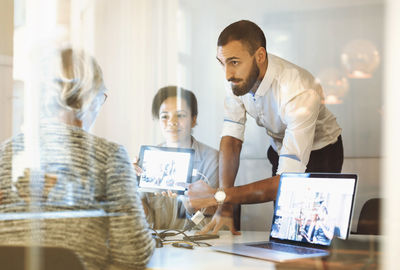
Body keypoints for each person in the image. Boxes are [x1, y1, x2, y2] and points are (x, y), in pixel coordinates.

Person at [0, 48, 154, 270]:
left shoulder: (5, 153)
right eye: (102, 97)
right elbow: (134, 255)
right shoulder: (110, 156)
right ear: (92, 99)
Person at [188, 20, 343, 235]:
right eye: (222, 63)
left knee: (311, 231)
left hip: (322, 152)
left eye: (233, 62)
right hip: (280, 148)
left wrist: (219, 196)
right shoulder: (234, 77)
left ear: (260, 56)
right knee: (284, 224)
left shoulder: (299, 90)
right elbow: (232, 139)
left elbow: (288, 182)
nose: (227, 74)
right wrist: (224, 208)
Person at [135, 86, 219, 230]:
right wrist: (130, 189)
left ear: (193, 119)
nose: (172, 122)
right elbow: (143, 225)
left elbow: (208, 223)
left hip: (199, 245)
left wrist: (192, 210)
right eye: (164, 116)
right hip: (159, 246)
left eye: (180, 115)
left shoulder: (212, 159)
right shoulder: (148, 160)